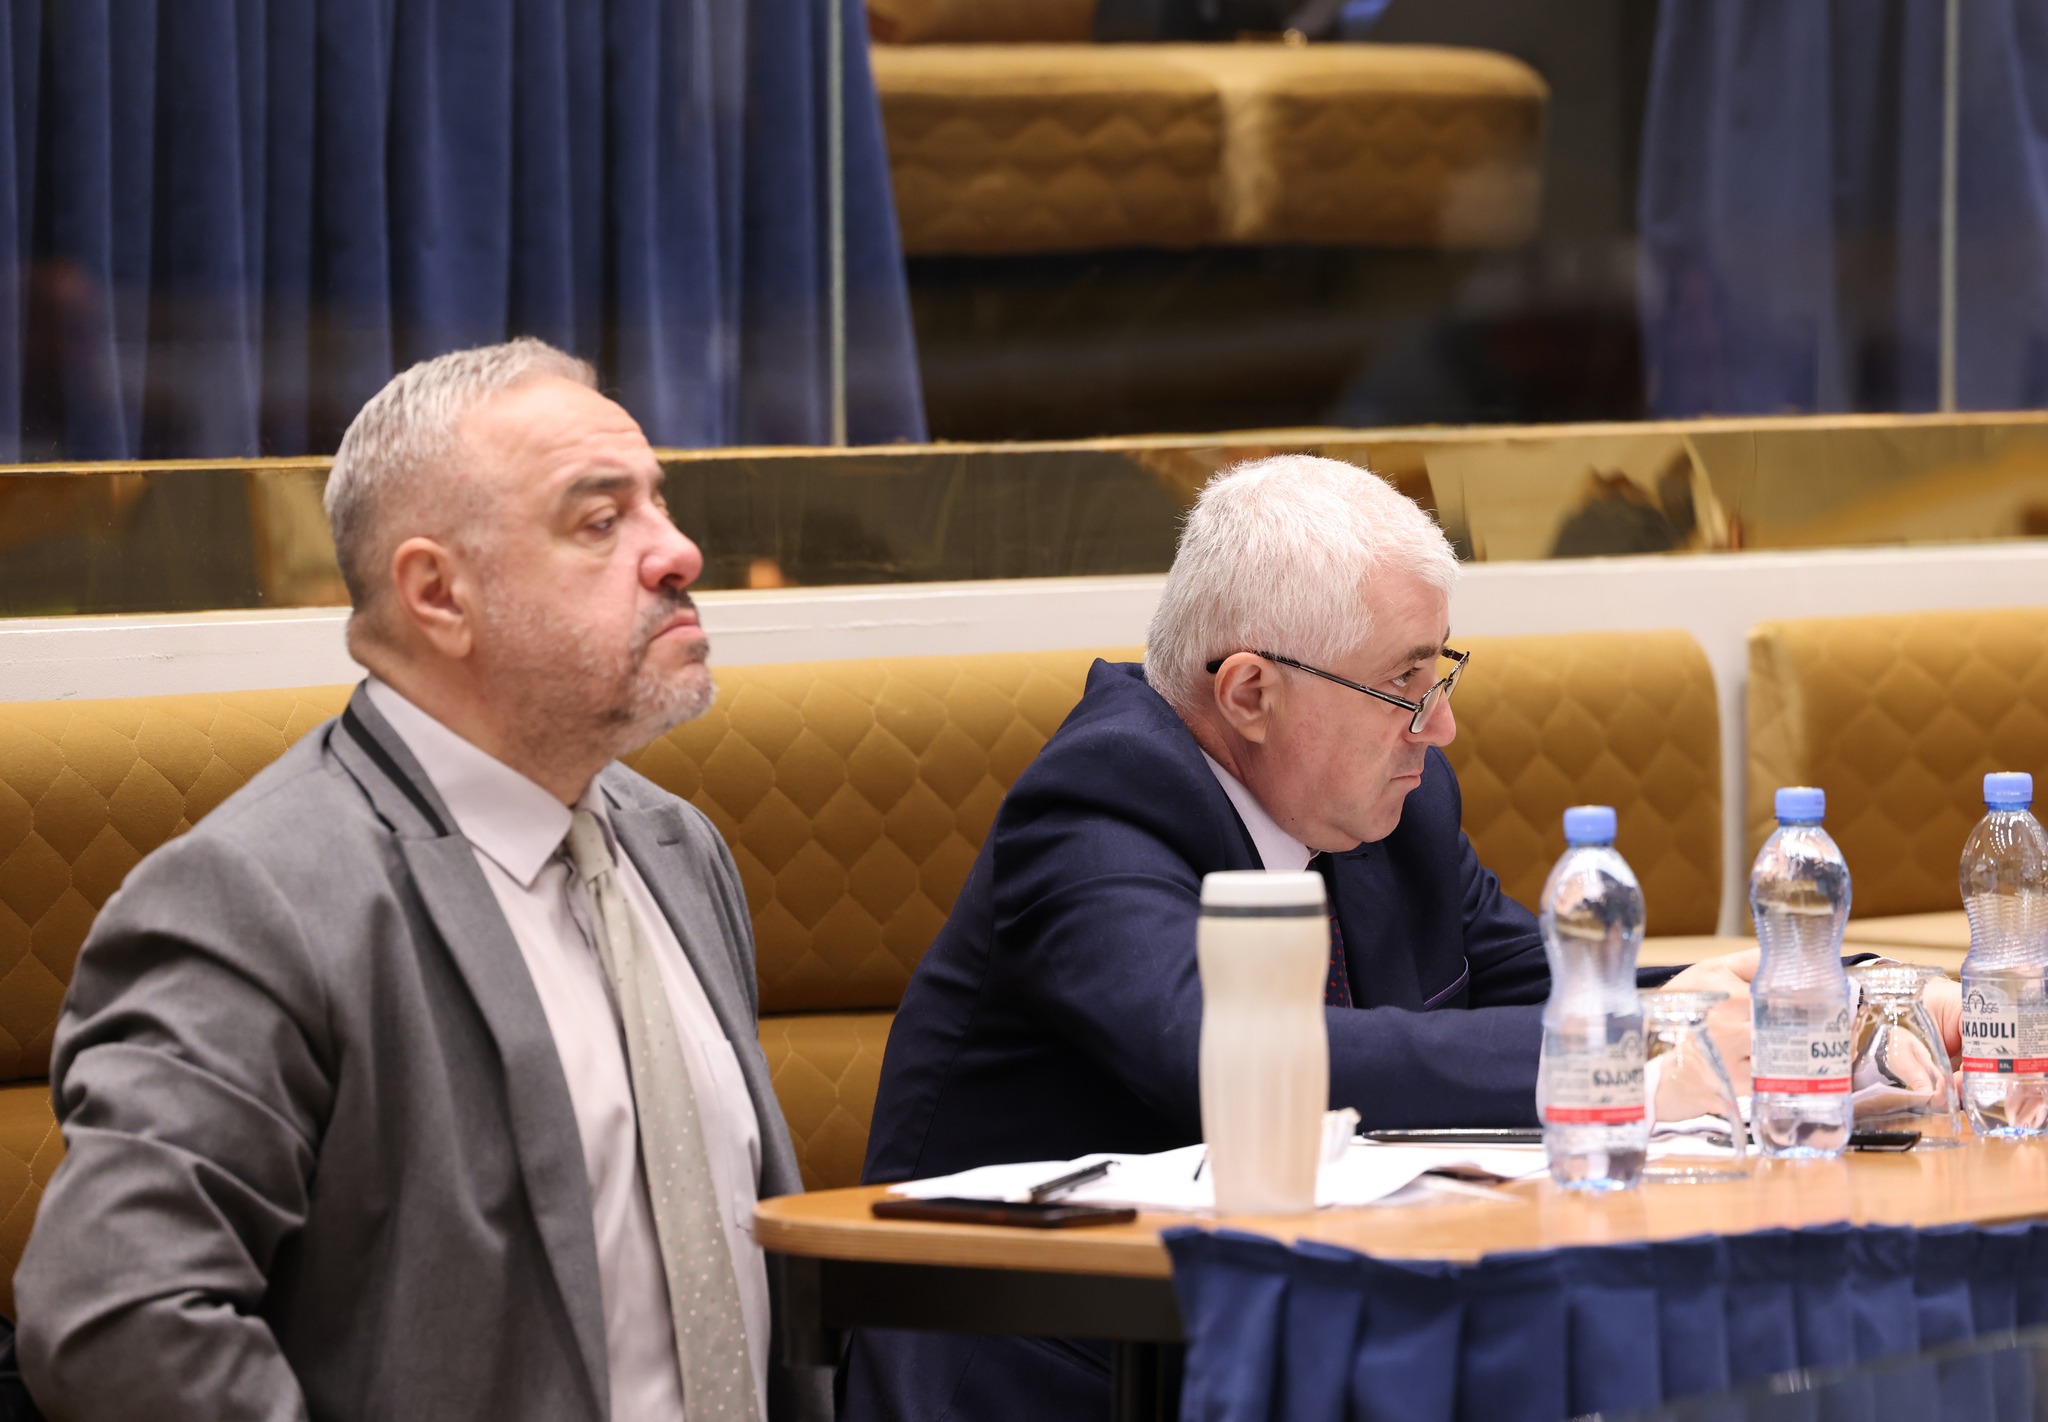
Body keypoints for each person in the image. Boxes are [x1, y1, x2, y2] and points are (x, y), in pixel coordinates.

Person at [843, 453, 1762, 1420]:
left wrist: (1711, 1012)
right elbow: (1227, 1052)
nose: (1440, 725)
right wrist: (1625, 1053)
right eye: (1405, 682)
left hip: (1307, 1343)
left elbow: (1531, 989)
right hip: (1066, 1373)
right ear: (1249, 693)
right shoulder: (1097, 805)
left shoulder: (1386, 805)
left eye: (1439, 672)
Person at [15, 340, 827, 1422]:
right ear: (439, 594)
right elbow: (114, 1315)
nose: (678, 552)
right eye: (601, 521)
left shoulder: (674, 847)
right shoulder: (257, 899)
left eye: (658, 503)